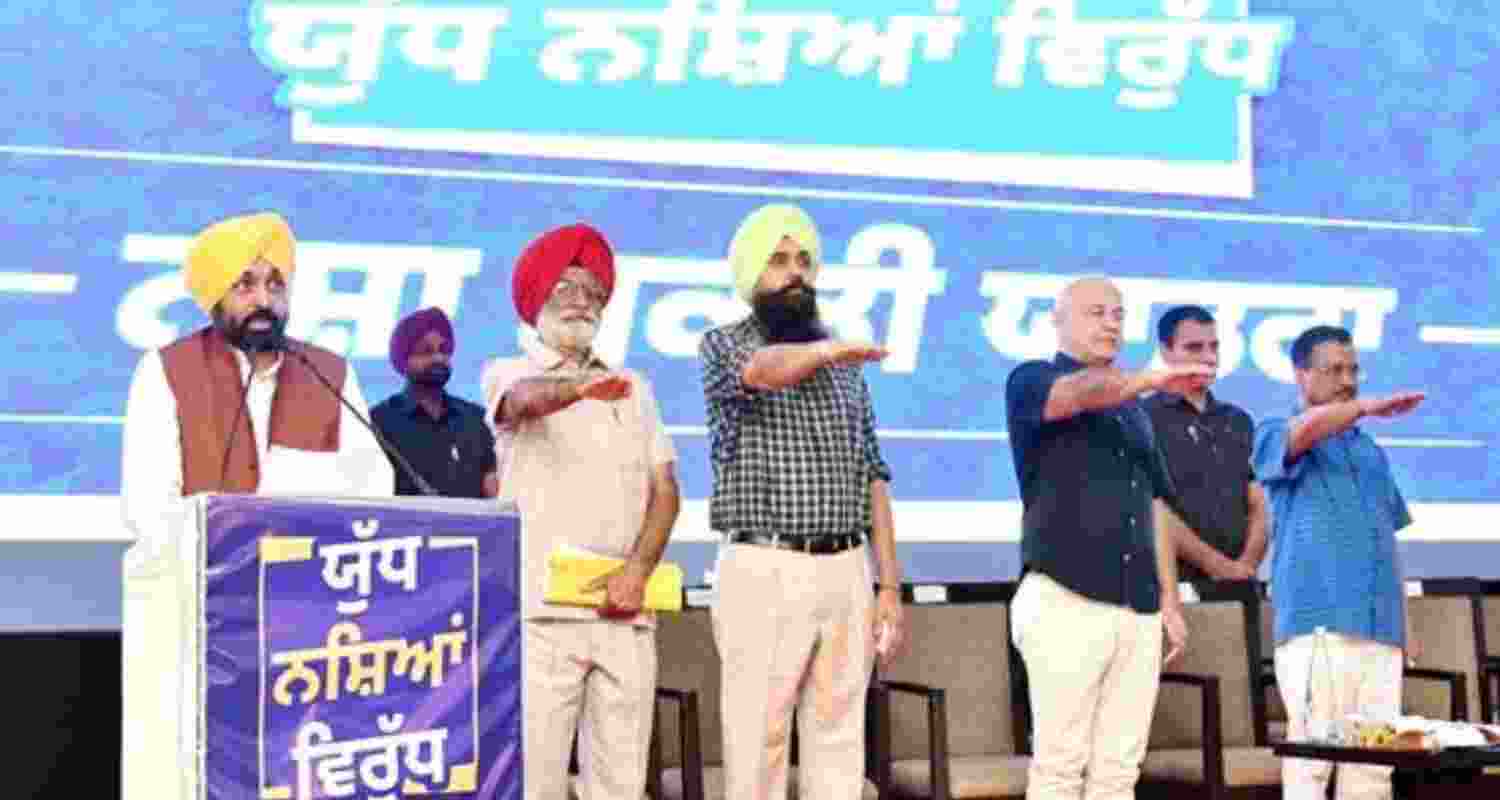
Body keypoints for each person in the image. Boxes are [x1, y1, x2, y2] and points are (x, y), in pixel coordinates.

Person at [698, 203, 903, 800]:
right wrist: (832, 352)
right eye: (779, 261)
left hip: (846, 571)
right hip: (765, 567)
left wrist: (888, 585)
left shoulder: (845, 367)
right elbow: (765, 370)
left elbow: (873, 473)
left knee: (840, 744)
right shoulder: (724, 344)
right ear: (752, 277)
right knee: (757, 748)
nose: (795, 274)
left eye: (804, 262)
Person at [481, 223, 680, 800]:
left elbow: (666, 490)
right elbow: (522, 404)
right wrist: (580, 389)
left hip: (625, 611)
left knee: (621, 785)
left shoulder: (634, 386)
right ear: (536, 297)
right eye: (565, 286)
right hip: (544, 616)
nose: (580, 300)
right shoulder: (508, 371)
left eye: (592, 290)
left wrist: (637, 571)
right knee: (537, 782)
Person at [1004, 276, 1209, 800]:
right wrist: (1146, 380)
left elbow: (1154, 505)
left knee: (1120, 771)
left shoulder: (1134, 411)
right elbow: (1079, 394)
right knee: (1060, 766)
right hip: (1065, 596)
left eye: (1118, 314)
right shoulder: (1033, 379)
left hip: (1138, 606)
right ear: (1058, 320)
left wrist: (1168, 597)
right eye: (1097, 312)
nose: (1112, 323)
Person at [121, 211, 392, 539]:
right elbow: (147, 507)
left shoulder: (331, 373)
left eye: (275, 284)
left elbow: (373, 487)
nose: (263, 300)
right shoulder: (166, 370)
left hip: (310, 580)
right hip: (204, 580)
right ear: (216, 296)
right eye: (244, 285)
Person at [1253, 325, 1424, 800]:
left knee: (1375, 769)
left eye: (1353, 370)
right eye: (1334, 370)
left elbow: (1387, 539)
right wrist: (1365, 408)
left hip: (1381, 630)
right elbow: (1303, 432)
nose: (1348, 380)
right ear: (1301, 376)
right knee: (1313, 763)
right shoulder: (1277, 431)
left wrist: (1404, 626)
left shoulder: (1370, 450)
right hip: (1319, 629)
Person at [1145, 305, 1268, 582]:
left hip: (1241, 582)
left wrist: (1246, 565)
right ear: (1166, 352)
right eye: (1194, 348)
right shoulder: (1144, 418)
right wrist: (1217, 566)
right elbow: (1152, 509)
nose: (1208, 357)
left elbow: (1259, 503)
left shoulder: (1237, 420)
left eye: (1214, 347)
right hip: (1174, 586)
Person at [371, 307, 498, 498]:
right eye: (426, 351)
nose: (438, 358)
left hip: (473, 528)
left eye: (444, 350)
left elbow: (493, 491)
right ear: (403, 360)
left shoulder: (477, 419)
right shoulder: (380, 421)